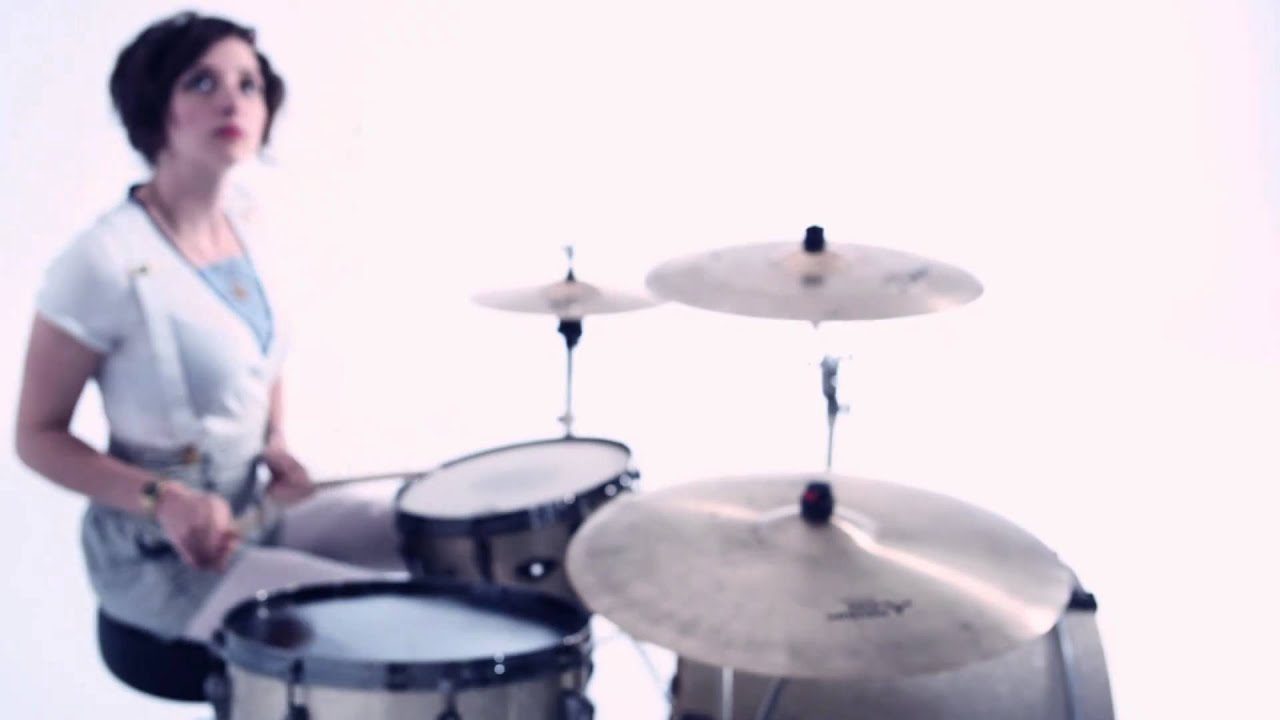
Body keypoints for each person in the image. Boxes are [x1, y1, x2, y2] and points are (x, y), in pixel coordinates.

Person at [14, 11, 401, 646]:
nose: (232, 100)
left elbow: (259, 355)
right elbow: (36, 436)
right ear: (154, 105)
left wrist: (275, 442)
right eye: (202, 82)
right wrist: (163, 500)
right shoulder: (101, 261)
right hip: (159, 555)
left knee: (427, 533)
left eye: (249, 85)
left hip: (254, 513)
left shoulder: (250, 222)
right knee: (385, 621)